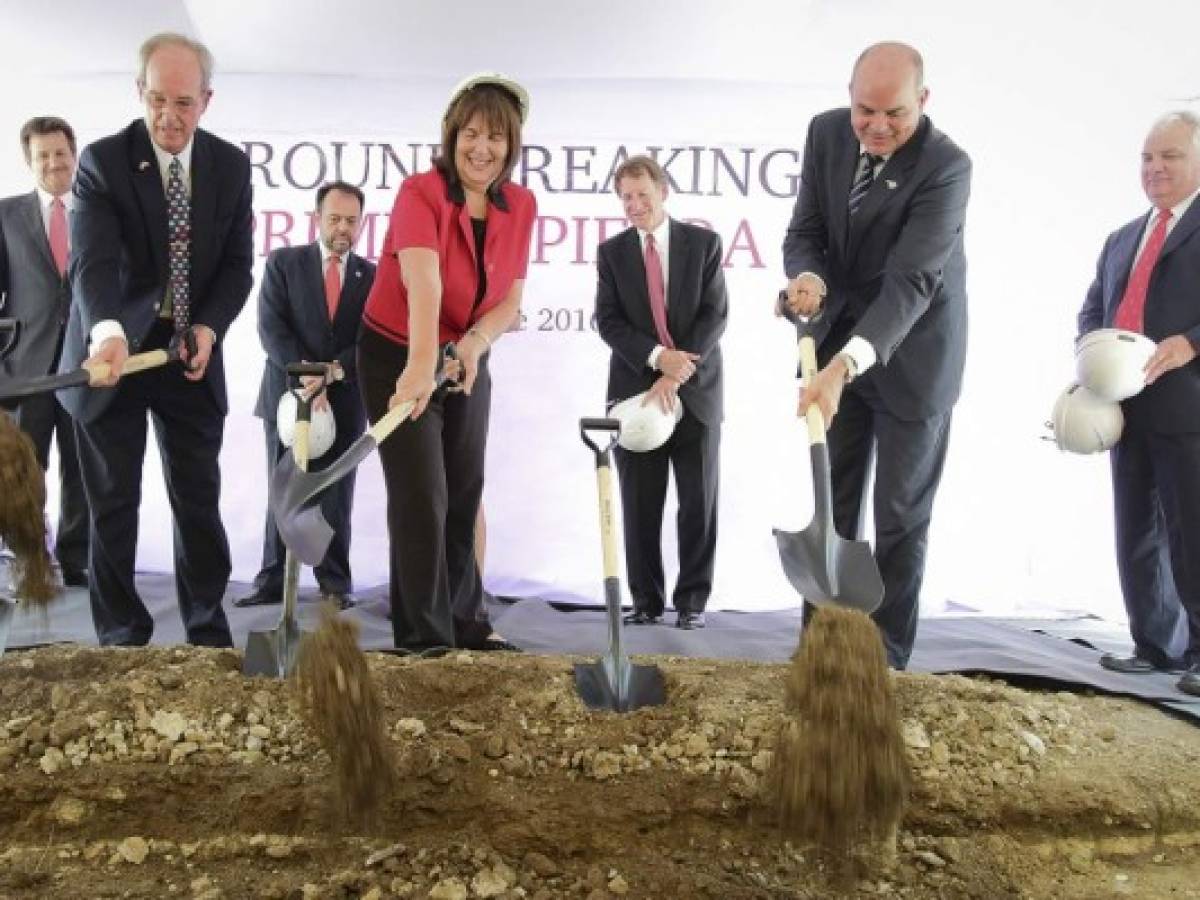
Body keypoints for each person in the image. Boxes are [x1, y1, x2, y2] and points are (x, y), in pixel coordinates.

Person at [779, 42, 971, 669]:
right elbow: (806, 228)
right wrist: (808, 277)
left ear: (923, 100)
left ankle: (883, 661)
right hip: (837, 349)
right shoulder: (827, 134)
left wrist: (842, 366)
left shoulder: (946, 166)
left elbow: (912, 282)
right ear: (849, 96)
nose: (878, 126)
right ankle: (823, 651)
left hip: (914, 358)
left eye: (895, 113)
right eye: (865, 111)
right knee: (830, 505)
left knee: (899, 515)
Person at [59, 32, 253, 646]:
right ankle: (120, 635)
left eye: (184, 103)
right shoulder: (103, 162)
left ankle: (206, 625)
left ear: (207, 100)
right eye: (157, 100)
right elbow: (92, 261)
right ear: (139, 92)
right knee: (113, 502)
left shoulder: (229, 166)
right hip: (115, 351)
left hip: (186, 354)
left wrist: (207, 328)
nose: (169, 117)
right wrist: (108, 334)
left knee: (198, 496)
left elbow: (236, 267)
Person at [357, 73, 536, 654]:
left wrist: (474, 347)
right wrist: (421, 366)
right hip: (396, 352)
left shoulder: (521, 204)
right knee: (421, 496)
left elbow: (510, 298)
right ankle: (424, 640)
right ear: (452, 133)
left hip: (461, 354)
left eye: (496, 138)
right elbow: (423, 283)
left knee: (463, 490)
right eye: (471, 133)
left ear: (512, 146)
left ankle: (467, 623)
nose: (481, 148)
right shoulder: (420, 192)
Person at [1077, 111, 1200, 696]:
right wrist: (1087, 359)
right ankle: (1156, 646)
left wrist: (1192, 343)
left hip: (1188, 406)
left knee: (1192, 532)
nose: (1155, 168)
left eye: (1170, 156)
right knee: (1137, 533)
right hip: (1124, 410)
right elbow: (1095, 307)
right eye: (1148, 157)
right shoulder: (1123, 236)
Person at [595, 155, 728, 630]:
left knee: (699, 502)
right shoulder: (611, 254)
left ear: (663, 192)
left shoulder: (705, 244)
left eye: (642, 195)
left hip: (696, 394)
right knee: (640, 504)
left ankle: (691, 602)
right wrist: (656, 360)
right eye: (626, 198)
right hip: (636, 397)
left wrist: (676, 373)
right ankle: (646, 601)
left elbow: (715, 316)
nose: (634, 206)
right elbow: (608, 322)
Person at [237, 182, 374, 612]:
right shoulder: (284, 263)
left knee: (336, 492)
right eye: (334, 218)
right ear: (318, 219)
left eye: (351, 221)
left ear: (362, 224)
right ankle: (272, 579)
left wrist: (332, 374)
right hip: (285, 394)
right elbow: (271, 328)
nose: (342, 228)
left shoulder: (372, 276)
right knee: (285, 488)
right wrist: (306, 375)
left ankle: (335, 582)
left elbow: (370, 339)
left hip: (345, 398)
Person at [0, 116, 90, 587]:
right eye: (43, 156)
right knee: (25, 473)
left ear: (74, 155)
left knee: (81, 471)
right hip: (25, 368)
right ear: (29, 161)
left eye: (60, 153)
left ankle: (76, 561)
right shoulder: (5, 215)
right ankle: (30, 558)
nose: (53, 163)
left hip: (82, 368)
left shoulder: (98, 213)